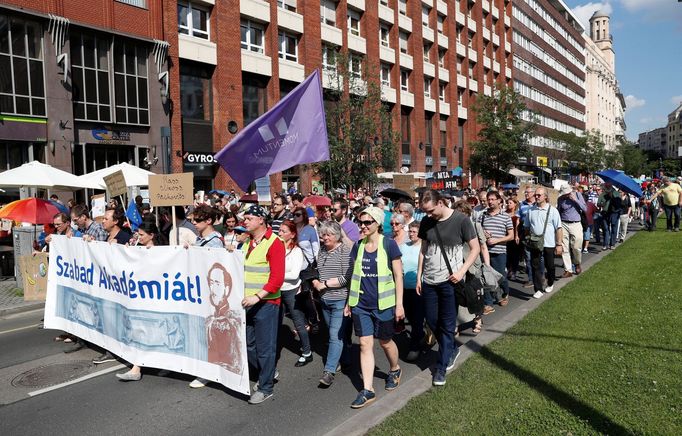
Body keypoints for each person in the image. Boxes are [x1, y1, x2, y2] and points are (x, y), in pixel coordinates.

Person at [417, 190, 479, 387]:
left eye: (431, 210)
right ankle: (451, 347)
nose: (429, 215)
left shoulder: (461, 220)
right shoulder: (427, 222)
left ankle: (441, 368)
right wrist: (419, 276)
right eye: (425, 211)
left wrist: (461, 271)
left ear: (441, 203)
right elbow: (423, 250)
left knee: (447, 324)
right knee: (432, 320)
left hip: (450, 282)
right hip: (429, 280)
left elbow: (475, 248)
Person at [345, 206, 404, 408]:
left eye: (367, 222)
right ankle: (368, 390)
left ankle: (394, 368)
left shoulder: (389, 245)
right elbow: (354, 275)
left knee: (385, 342)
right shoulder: (358, 245)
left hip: (384, 304)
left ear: (377, 224)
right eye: (360, 222)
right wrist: (348, 302)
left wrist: (399, 305)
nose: (362, 226)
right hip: (361, 304)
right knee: (364, 344)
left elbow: (398, 276)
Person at [238, 204, 285, 404]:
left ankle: (266, 387)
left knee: (266, 348)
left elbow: (277, 278)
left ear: (260, 220)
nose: (245, 222)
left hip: (266, 303)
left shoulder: (275, 243)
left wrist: (258, 296)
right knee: (249, 345)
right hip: (247, 303)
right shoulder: (248, 242)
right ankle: (268, 371)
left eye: (248, 218)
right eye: (245, 218)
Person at [116, 218, 167, 381]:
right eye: (137, 233)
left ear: (151, 235)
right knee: (142, 333)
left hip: (155, 299)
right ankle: (136, 369)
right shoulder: (138, 248)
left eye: (142, 234)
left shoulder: (161, 251)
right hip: (141, 298)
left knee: (154, 335)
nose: (138, 236)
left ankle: (147, 367)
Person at [311, 220, 352, 387]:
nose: (324, 238)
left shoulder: (344, 251)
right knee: (335, 334)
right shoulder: (322, 251)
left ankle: (329, 371)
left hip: (340, 299)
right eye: (322, 235)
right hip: (324, 300)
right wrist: (314, 280)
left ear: (336, 236)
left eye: (328, 235)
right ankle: (346, 358)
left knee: (335, 335)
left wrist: (325, 284)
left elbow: (346, 277)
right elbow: (316, 270)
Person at [90, 207, 132, 365]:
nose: (103, 221)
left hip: (121, 288)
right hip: (108, 287)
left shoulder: (125, 237)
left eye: (106, 218)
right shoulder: (106, 237)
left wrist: (119, 248)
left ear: (115, 221)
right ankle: (111, 350)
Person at [453, 200, 490, 335]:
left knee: (475, 294)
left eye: (462, 213)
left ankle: (478, 319)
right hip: (457, 267)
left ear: (467, 213)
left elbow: (483, 247)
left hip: (474, 266)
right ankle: (456, 325)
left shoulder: (475, 226)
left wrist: (487, 266)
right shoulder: (453, 228)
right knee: (457, 295)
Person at [278, 220, 312, 368]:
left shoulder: (297, 251)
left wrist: (275, 274)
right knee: (275, 322)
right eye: (279, 230)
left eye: (283, 231)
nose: (279, 233)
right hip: (277, 290)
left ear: (292, 234)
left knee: (298, 322)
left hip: (291, 291)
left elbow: (293, 275)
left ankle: (307, 353)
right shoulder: (277, 248)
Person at [478, 190, 513, 312]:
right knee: (485, 276)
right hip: (485, 251)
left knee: (499, 276)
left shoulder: (506, 217)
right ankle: (488, 303)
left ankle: (504, 293)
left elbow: (511, 236)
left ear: (499, 201)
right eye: (489, 199)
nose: (490, 202)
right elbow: (478, 229)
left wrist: (497, 240)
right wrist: (483, 232)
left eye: (493, 199)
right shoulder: (483, 215)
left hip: (499, 251)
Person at [525, 188, 563, 299]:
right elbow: (527, 226)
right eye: (535, 195)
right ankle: (538, 289)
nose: (536, 197)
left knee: (550, 266)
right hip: (535, 243)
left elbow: (559, 228)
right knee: (535, 266)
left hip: (549, 243)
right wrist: (528, 238)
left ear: (545, 196)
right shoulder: (531, 210)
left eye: (539, 195)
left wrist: (559, 244)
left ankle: (550, 282)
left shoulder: (553, 210)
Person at [292, 205, 321, 331]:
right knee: (296, 297)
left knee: (306, 295)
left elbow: (316, 249)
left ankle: (313, 321)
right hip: (294, 267)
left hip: (307, 267)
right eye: (294, 214)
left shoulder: (309, 230)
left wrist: (317, 264)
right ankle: (304, 323)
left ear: (303, 217)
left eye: (298, 215)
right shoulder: (292, 230)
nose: (295, 217)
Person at [400, 221, 425, 360]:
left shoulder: (424, 248)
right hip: (404, 288)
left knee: (417, 319)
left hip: (419, 288)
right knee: (408, 315)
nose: (411, 234)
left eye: (414, 231)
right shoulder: (403, 247)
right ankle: (420, 335)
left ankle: (415, 346)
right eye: (410, 231)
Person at [557, 185, 586, 277]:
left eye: (566, 194)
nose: (565, 195)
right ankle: (568, 270)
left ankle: (577, 263)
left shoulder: (577, 195)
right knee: (564, 247)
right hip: (563, 223)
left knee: (576, 246)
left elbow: (585, 208)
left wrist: (575, 200)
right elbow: (559, 211)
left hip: (576, 223)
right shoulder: (560, 199)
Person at [597, 183, 621, 250]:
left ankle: (612, 244)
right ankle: (605, 244)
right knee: (606, 229)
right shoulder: (602, 194)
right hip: (605, 213)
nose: (605, 189)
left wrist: (612, 197)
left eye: (607, 187)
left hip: (614, 213)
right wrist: (603, 204)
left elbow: (619, 204)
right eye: (605, 187)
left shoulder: (616, 193)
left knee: (614, 229)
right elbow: (598, 204)